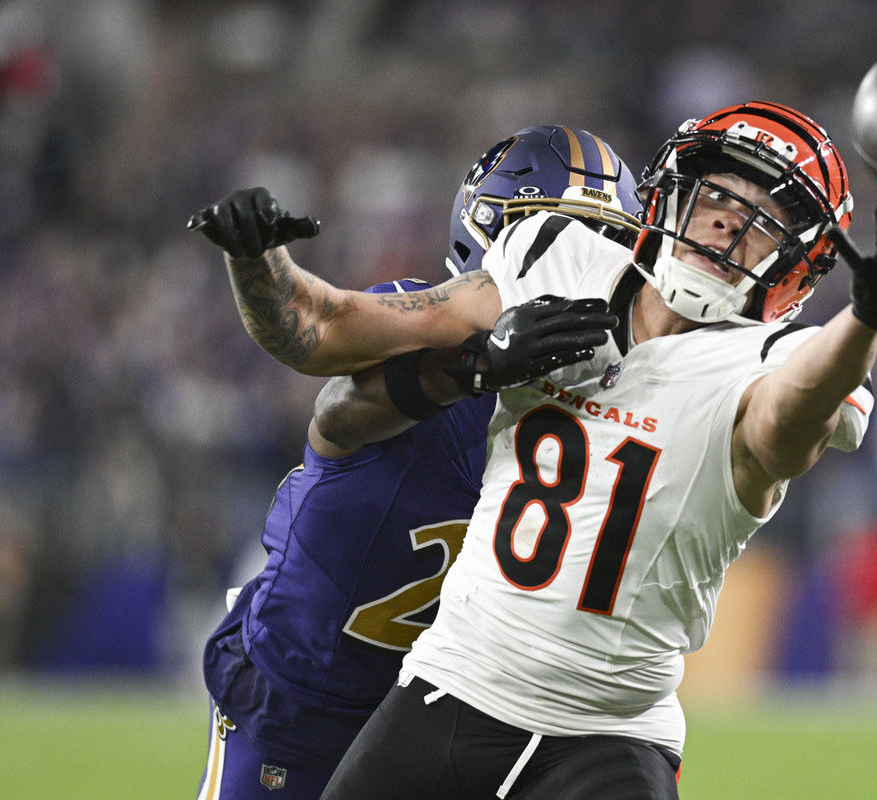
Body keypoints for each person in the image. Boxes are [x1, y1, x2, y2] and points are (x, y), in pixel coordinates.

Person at [192, 100, 877, 799]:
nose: (729, 229)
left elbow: (792, 415)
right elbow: (327, 347)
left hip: (606, 725)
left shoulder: (773, 362)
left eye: (766, 222)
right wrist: (261, 261)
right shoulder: (552, 263)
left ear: (798, 266)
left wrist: (867, 321)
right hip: (422, 682)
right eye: (717, 199)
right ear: (670, 194)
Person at [192, 125, 643, 799]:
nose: (578, 260)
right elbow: (336, 404)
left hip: (454, 714)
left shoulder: (624, 402)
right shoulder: (439, 337)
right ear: (488, 234)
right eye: (556, 233)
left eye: (606, 237)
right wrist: (473, 368)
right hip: (305, 688)